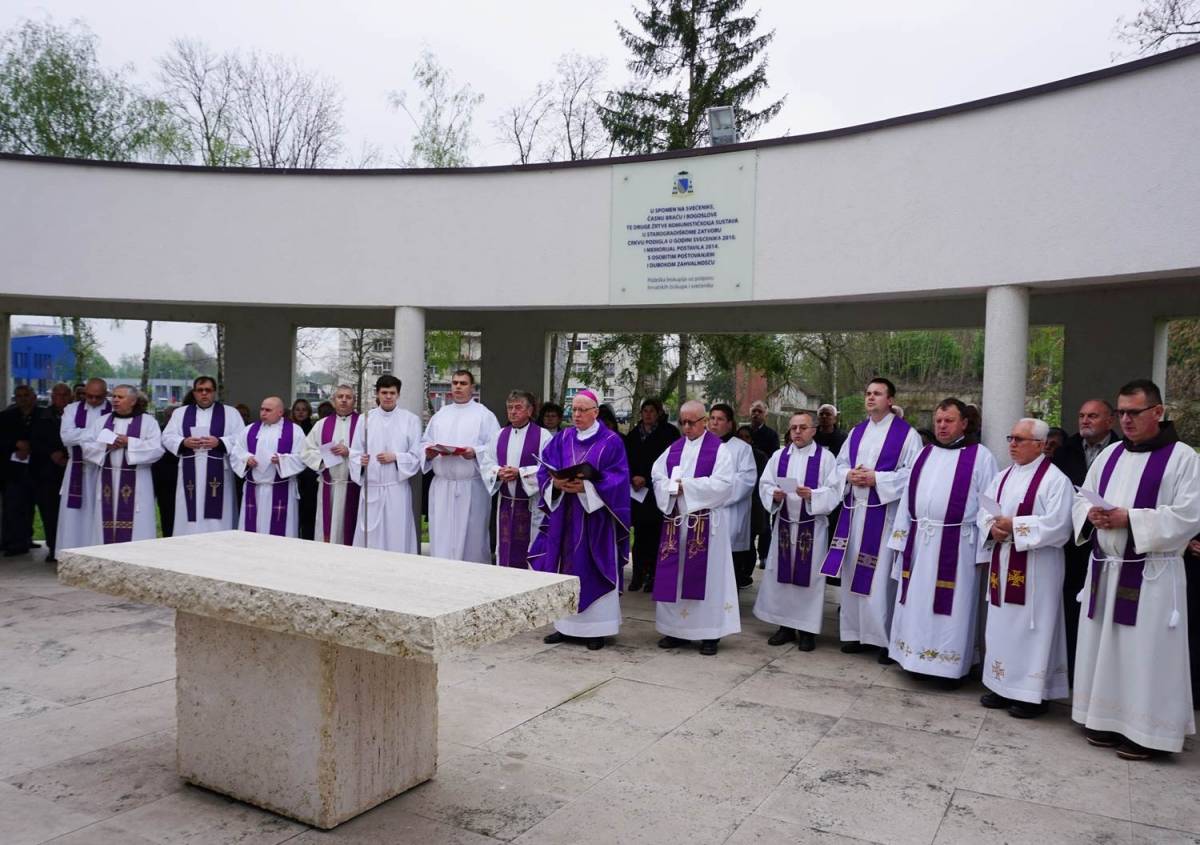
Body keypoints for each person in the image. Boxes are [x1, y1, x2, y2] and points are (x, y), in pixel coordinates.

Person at [1071, 379, 1199, 760]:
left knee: (1145, 653)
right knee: (1105, 646)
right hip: (1106, 570)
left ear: (1157, 412)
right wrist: (1090, 514)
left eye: (1133, 412)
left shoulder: (1182, 458)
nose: (1125, 419)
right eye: (1121, 412)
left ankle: (1147, 732)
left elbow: (1188, 516)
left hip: (1151, 574)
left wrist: (1131, 518)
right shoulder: (1110, 455)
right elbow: (1082, 496)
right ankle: (1105, 719)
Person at [886, 398, 996, 686]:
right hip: (920, 540)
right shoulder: (925, 453)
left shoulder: (980, 456)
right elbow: (907, 502)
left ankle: (947, 666)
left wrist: (985, 551)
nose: (942, 426)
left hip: (957, 543)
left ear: (964, 423)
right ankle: (913, 657)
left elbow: (989, 503)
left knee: (951, 607)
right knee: (916, 603)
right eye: (938, 421)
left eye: (948, 420)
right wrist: (900, 541)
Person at [976, 418, 1073, 718]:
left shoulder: (1056, 481)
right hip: (1003, 560)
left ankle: (1032, 693)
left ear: (1041, 445)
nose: (1012, 444)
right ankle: (1001, 684)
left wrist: (1015, 526)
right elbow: (983, 510)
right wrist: (991, 528)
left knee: (1032, 627)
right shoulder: (1003, 476)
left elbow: (1059, 526)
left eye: (1020, 439)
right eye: (1011, 438)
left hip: (1037, 567)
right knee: (1001, 624)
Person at [822, 378, 923, 661]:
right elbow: (839, 465)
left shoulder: (907, 435)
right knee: (853, 573)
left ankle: (882, 639)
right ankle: (855, 633)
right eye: (867, 393)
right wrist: (848, 475)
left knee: (881, 580)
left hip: (884, 516)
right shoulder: (856, 432)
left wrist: (877, 478)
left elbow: (913, 474)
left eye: (877, 394)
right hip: (855, 514)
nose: (870, 398)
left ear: (890, 400)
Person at [533, 389, 630, 651]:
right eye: (573, 409)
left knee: (592, 566)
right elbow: (545, 470)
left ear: (595, 412)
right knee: (564, 567)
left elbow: (619, 480)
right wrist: (556, 483)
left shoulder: (611, 441)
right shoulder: (562, 438)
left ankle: (597, 629)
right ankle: (564, 626)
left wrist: (587, 488)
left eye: (582, 410)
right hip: (565, 515)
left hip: (595, 519)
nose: (576, 415)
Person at [651, 400, 741, 656]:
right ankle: (675, 630)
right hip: (677, 523)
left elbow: (724, 484)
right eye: (683, 422)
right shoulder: (673, 450)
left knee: (709, 579)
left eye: (692, 422)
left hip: (706, 525)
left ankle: (709, 634)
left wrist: (686, 487)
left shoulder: (719, 450)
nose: (687, 427)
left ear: (704, 422)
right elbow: (657, 476)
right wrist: (669, 487)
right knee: (675, 575)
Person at [754, 411, 839, 650]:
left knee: (809, 579)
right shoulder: (779, 456)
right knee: (782, 578)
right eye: (793, 428)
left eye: (803, 427)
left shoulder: (826, 458)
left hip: (811, 528)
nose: (798, 432)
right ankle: (785, 627)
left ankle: (807, 630)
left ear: (814, 430)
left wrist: (813, 495)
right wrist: (774, 495)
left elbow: (834, 490)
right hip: (784, 525)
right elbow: (765, 484)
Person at [1052, 398, 1120, 683]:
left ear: (1110, 421)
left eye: (1093, 416)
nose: (1085, 421)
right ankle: (1071, 667)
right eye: (1081, 415)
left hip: (1112, 542)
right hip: (1074, 544)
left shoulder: (1121, 452)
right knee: (1070, 604)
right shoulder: (1064, 452)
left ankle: (1101, 673)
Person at [421, 370, 500, 563]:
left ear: (472, 388)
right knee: (442, 536)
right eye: (455, 382)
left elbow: (496, 447)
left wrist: (475, 452)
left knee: (472, 539)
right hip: (442, 486)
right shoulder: (440, 415)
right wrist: (429, 452)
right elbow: (425, 442)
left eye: (463, 383)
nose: (457, 386)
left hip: (472, 487)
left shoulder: (484, 415)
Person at [161, 376, 244, 536]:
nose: (204, 394)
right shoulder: (180, 413)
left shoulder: (230, 413)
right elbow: (167, 436)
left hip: (219, 473)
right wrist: (183, 442)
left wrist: (219, 442)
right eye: (200, 390)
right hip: (189, 473)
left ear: (215, 392)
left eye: (208, 390)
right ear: (194, 392)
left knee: (219, 519)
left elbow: (241, 438)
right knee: (188, 515)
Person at [82, 385, 165, 544]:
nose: (115, 400)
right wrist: (104, 446)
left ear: (133, 401)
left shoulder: (148, 422)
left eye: (120, 397)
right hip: (108, 479)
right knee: (105, 521)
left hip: (138, 480)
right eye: (114, 396)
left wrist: (129, 442)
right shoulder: (102, 421)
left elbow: (157, 449)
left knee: (138, 525)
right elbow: (86, 446)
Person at [349, 375, 422, 553]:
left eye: (392, 393)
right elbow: (355, 451)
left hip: (396, 488)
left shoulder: (410, 420)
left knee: (396, 534)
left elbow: (416, 456)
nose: (388, 396)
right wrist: (360, 461)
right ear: (377, 394)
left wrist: (396, 457)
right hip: (372, 487)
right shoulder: (365, 419)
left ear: (398, 394)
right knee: (370, 538)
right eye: (384, 392)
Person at [480, 390, 552, 567]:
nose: (513, 411)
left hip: (530, 505)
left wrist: (520, 473)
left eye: (518, 407)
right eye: (510, 407)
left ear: (530, 411)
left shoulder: (543, 436)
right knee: (505, 549)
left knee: (528, 551)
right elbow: (487, 463)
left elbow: (549, 469)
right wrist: (498, 472)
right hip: (506, 503)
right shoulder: (499, 435)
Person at [623, 397, 679, 592]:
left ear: (659, 413)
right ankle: (637, 574)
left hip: (656, 492)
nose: (648, 415)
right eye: (645, 411)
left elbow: (670, 463)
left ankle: (653, 575)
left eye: (652, 411)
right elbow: (624, 460)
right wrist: (633, 477)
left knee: (656, 535)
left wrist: (646, 477)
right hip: (636, 492)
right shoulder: (632, 435)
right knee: (639, 536)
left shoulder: (668, 434)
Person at [231, 396, 306, 537]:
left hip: (281, 489)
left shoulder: (295, 431)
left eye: (268, 410)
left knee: (281, 532)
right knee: (253, 530)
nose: (263, 413)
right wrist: (247, 459)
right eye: (262, 409)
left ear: (280, 412)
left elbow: (302, 456)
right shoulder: (249, 430)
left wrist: (282, 460)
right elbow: (236, 452)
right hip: (254, 489)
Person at [302, 385, 362, 545]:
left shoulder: (363, 424)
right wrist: (324, 459)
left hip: (354, 485)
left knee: (352, 529)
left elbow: (371, 451)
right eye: (340, 396)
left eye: (348, 397)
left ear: (354, 401)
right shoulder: (322, 424)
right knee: (326, 529)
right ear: (333, 400)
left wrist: (349, 452)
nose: (344, 400)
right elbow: (306, 450)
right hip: (329, 485)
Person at [56, 378, 110, 554]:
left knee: (101, 511)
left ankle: (100, 552)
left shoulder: (113, 410)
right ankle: (72, 552)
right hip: (78, 469)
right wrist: (98, 435)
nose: (93, 400)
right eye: (89, 396)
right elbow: (67, 437)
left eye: (98, 397)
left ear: (106, 394)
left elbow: (117, 435)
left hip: (104, 469)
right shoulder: (71, 410)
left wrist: (83, 435)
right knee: (75, 514)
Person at [708, 403, 757, 589]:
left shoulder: (742, 449)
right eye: (712, 419)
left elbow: (746, 481)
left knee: (729, 567)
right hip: (705, 513)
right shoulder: (701, 446)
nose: (714, 423)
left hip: (730, 515)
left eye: (719, 419)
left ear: (729, 424)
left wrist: (715, 492)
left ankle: (729, 607)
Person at [1, 386, 53, 556]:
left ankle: (53, 546)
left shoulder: (46, 415)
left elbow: (52, 439)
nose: (23, 399)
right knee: (15, 508)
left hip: (41, 470)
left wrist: (31, 447)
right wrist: (15, 444)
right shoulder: (6, 416)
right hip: (15, 471)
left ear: (34, 397)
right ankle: (16, 543)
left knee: (47, 509)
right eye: (19, 396)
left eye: (27, 395)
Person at [35, 384, 70, 561]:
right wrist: (51, 453)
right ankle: (53, 547)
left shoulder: (76, 414)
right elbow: (35, 439)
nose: (62, 399)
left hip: (71, 470)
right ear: (52, 397)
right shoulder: (41, 416)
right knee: (50, 513)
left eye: (65, 395)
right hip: (47, 473)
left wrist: (65, 455)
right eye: (58, 395)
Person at [291, 399, 318, 540]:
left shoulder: (314, 428)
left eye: (304, 409)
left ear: (308, 412)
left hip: (308, 477)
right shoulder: (287, 429)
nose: (300, 412)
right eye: (297, 409)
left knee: (308, 510)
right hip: (291, 473)